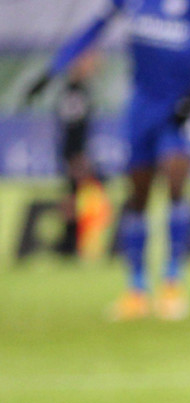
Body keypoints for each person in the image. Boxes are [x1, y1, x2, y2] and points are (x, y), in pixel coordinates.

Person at [27, 0, 190, 321]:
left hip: (181, 107)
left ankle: (172, 283)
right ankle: (136, 290)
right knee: (138, 196)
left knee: (176, 179)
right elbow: (92, 31)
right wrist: (53, 70)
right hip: (141, 108)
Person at [25, 49, 113, 263]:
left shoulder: (79, 90)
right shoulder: (74, 91)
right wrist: (77, 155)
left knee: (76, 195)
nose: (92, 66)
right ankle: (67, 243)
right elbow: (72, 127)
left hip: (75, 152)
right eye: (87, 62)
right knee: (76, 196)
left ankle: (70, 243)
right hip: (74, 153)